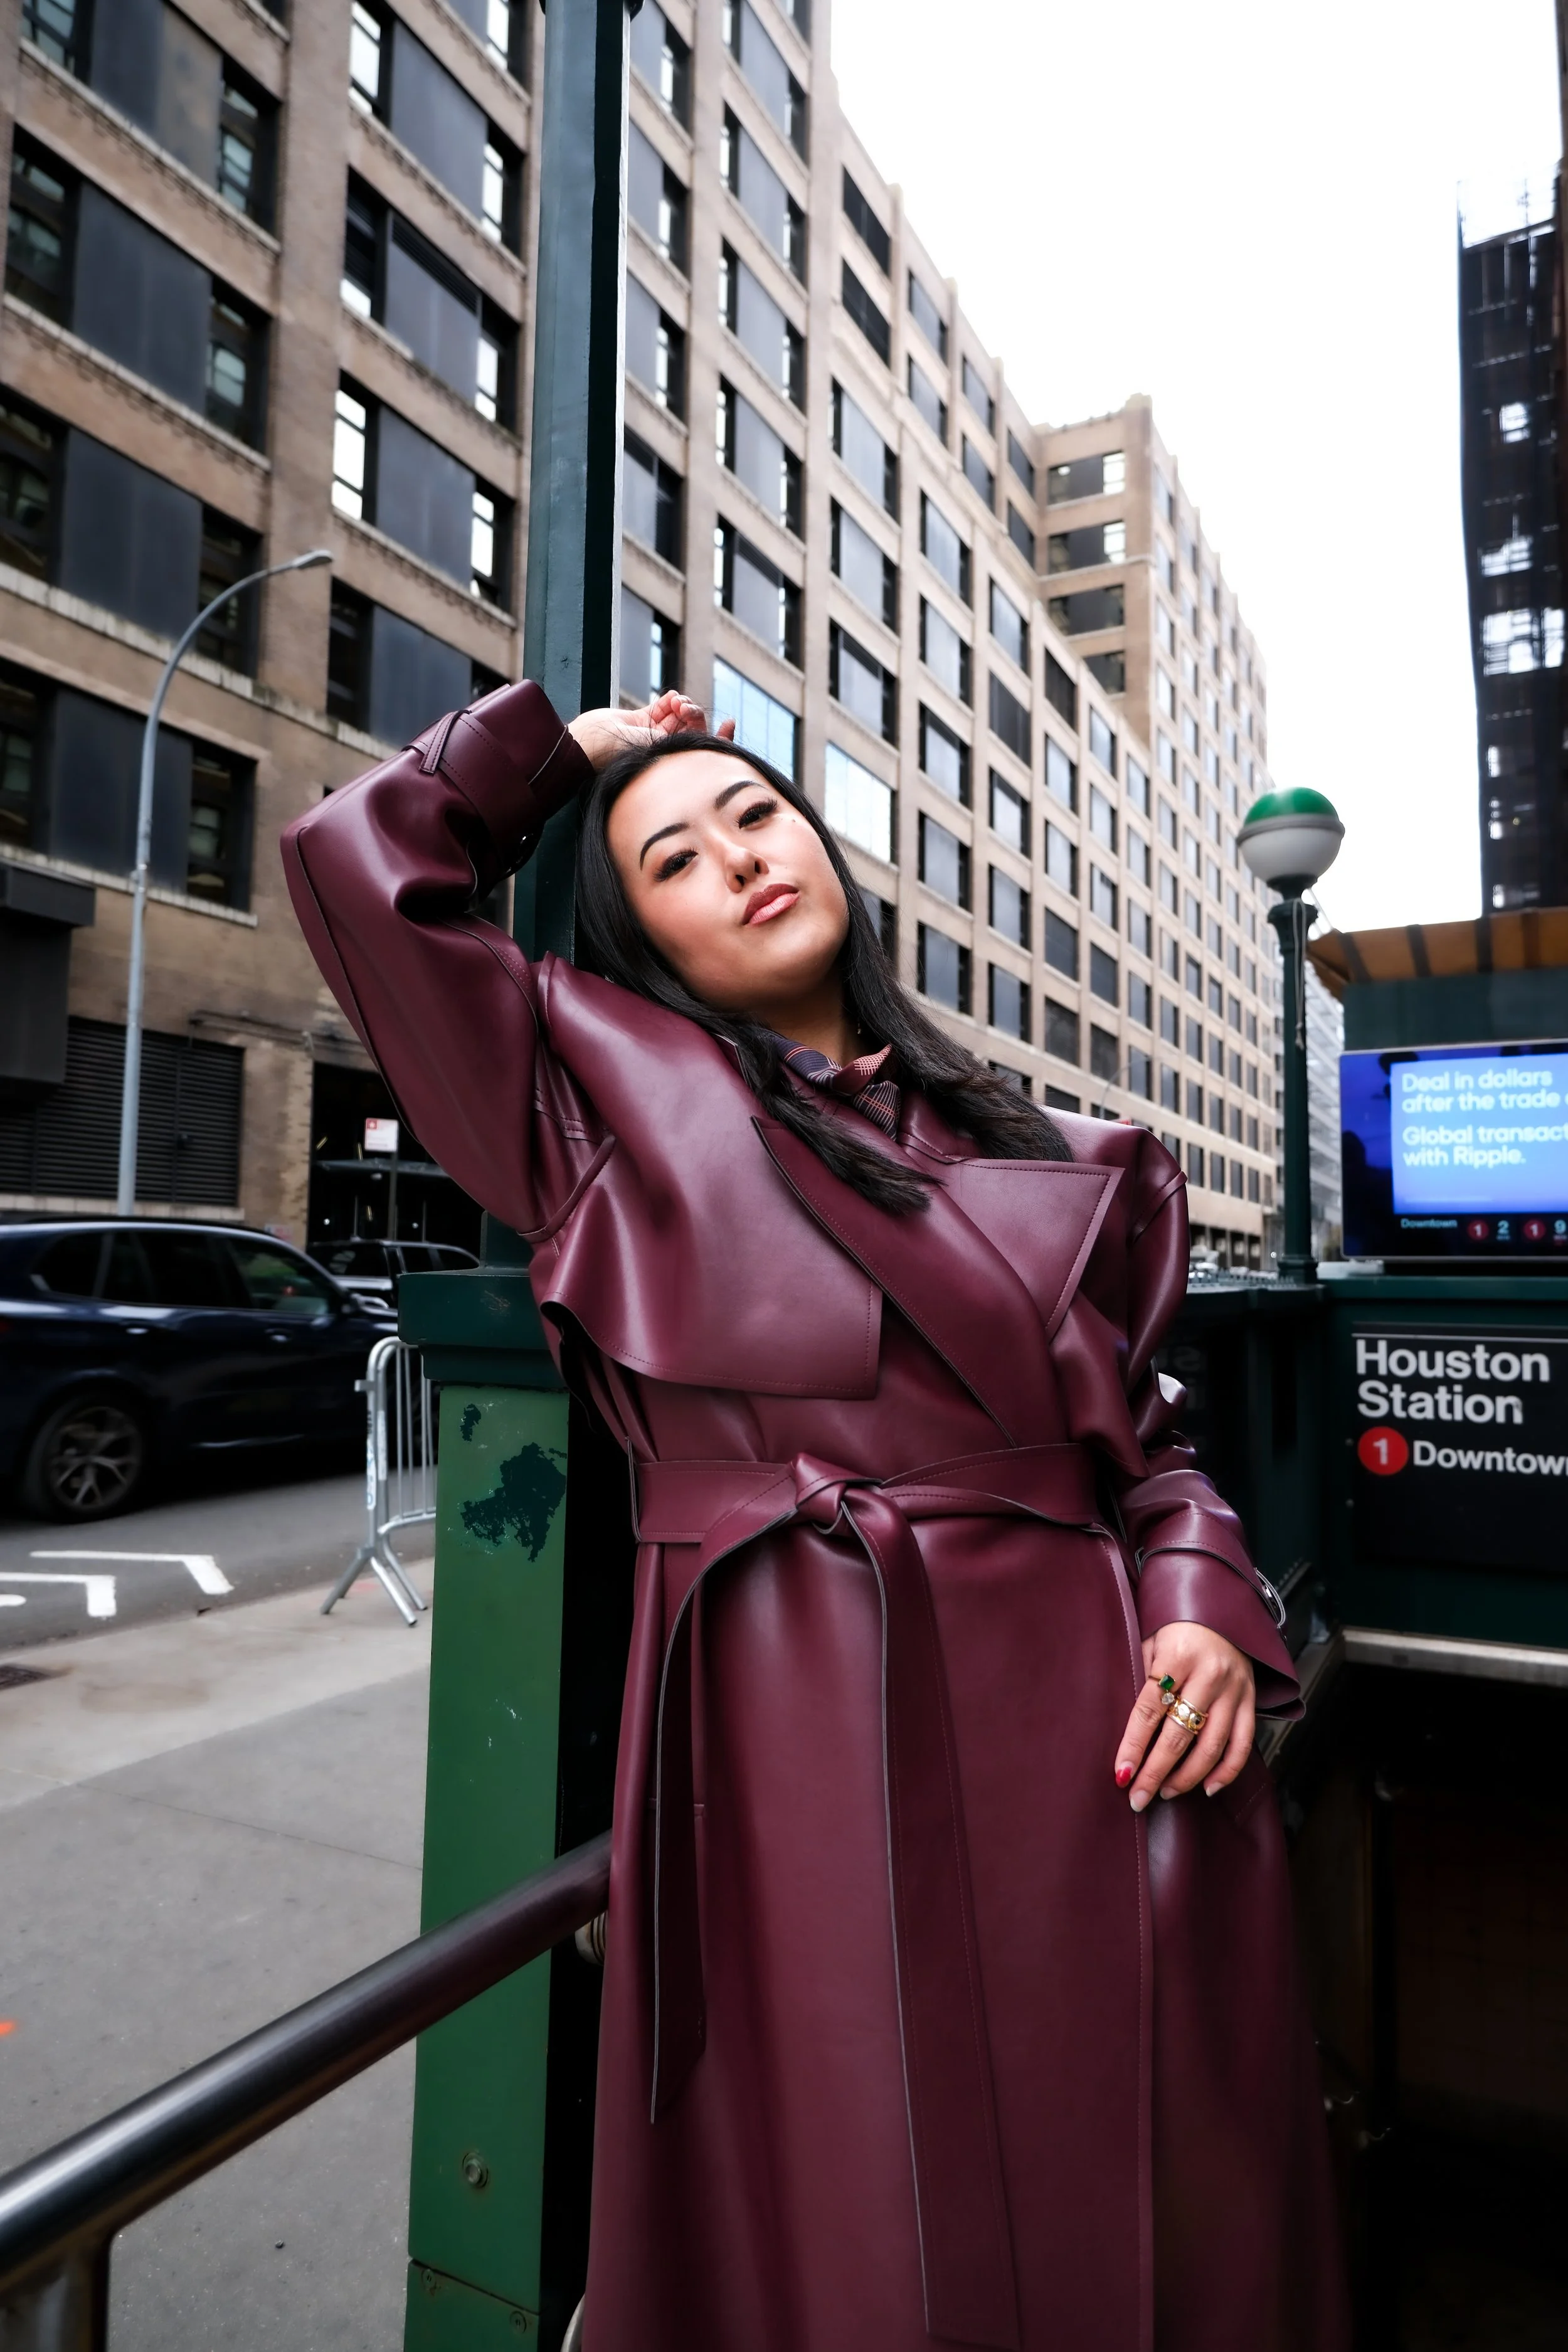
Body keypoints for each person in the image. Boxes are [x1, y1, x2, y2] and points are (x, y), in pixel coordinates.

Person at [282, 680, 1348, 2352]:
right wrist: (574, 756)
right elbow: (361, 869)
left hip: (1107, 1735)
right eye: (671, 861)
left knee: (1148, 2180)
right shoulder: (585, 1105)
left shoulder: (1051, 1145)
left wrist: (1204, 1609)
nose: (735, 858)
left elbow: (1153, 1461)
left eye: (757, 815)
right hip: (798, 1728)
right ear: (636, 935)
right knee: (857, 2192)